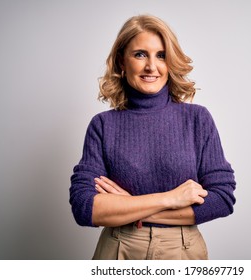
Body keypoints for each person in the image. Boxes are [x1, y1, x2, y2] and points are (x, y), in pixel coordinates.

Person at [69, 14, 236, 260]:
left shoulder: (197, 119)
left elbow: (222, 199)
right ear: (121, 62)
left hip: (182, 250)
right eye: (140, 54)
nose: (151, 66)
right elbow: (85, 208)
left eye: (160, 55)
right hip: (119, 250)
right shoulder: (103, 125)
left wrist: (131, 207)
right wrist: (171, 198)